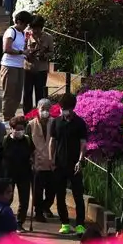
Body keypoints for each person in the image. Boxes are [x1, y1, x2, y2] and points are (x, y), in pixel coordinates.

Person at [0, 115, 36, 228]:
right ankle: (0, 220)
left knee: (24, 201)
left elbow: (33, 153)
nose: (20, 131)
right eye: (17, 129)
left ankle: (19, 223)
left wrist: (34, 162)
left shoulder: (27, 140)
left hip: (24, 175)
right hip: (7, 175)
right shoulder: (5, 141)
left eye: (22, 129)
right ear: (11, 129)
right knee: (6, 199)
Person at [49, 95, 87, 236]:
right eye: (63, 109)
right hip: (59, 164)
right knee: (60, 195)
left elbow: (83, 143)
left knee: (78, 195)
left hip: (74, 166)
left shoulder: (80, 123)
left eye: (68, 109)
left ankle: (80, 225)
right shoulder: (56, 122)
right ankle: (64, 223)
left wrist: (80, 160)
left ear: (73, 108)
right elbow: (52, 141)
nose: (66, 112)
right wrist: (51, 159)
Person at [26, 98, 55, 221]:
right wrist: (30, 159)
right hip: (36, 163)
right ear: (38, 109)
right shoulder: (31, 125)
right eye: (43, 109)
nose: (45, 111)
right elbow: (27, 144)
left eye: (48, 109)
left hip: (51, 163)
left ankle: (44, 206)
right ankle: (38, 212)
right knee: (37, 191)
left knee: (51, 193)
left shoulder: (54, 123)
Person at [0, 10, 31, 118]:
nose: (26, 26)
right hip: (9, 66)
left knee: (17, 94)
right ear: (18, 21)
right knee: (9, 94)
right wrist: (21, 52)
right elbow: (6, 48)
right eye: (24, 24)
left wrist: (26, 52)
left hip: (19, 66)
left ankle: (12, 116)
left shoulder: (22, 33)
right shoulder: (11, 31)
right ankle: (6, 117)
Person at [23, 14, 53, 114]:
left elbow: (51, 52)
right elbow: (21, 50)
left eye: (37, 29)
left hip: (41, 69)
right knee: (27, 93)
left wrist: (44, 56)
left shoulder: (48, 37)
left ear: (41, 27)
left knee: (40, 93)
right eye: (33, 28)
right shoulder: (26, 36)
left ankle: (39, 114)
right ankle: (27, 114)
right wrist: (28, 53)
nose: (35, 31)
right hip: (28, 68)